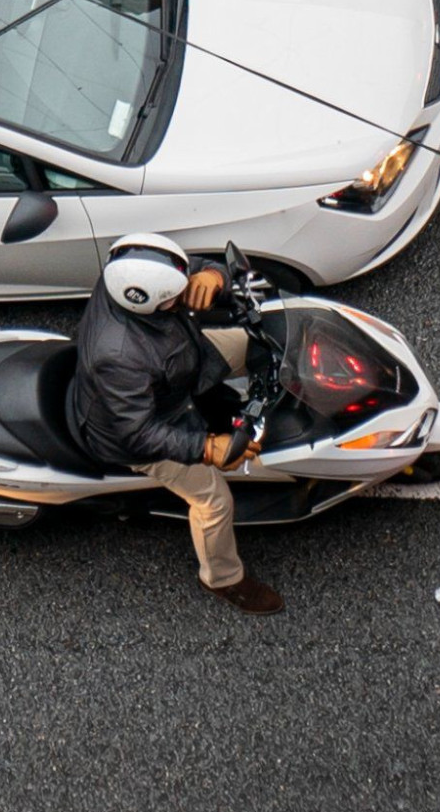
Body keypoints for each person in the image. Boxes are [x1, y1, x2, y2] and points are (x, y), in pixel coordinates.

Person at [64, 234, 283, 615]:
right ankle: (223, 578)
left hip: (179, 364)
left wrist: (214, 276)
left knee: (263, 345)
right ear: (147, 302)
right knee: (213, 501)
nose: (182, 298)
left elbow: (189, 269)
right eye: (174, 299)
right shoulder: (117, 355)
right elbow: (138, 432)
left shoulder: (132, 275)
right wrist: (206, 447)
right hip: (144, 426)